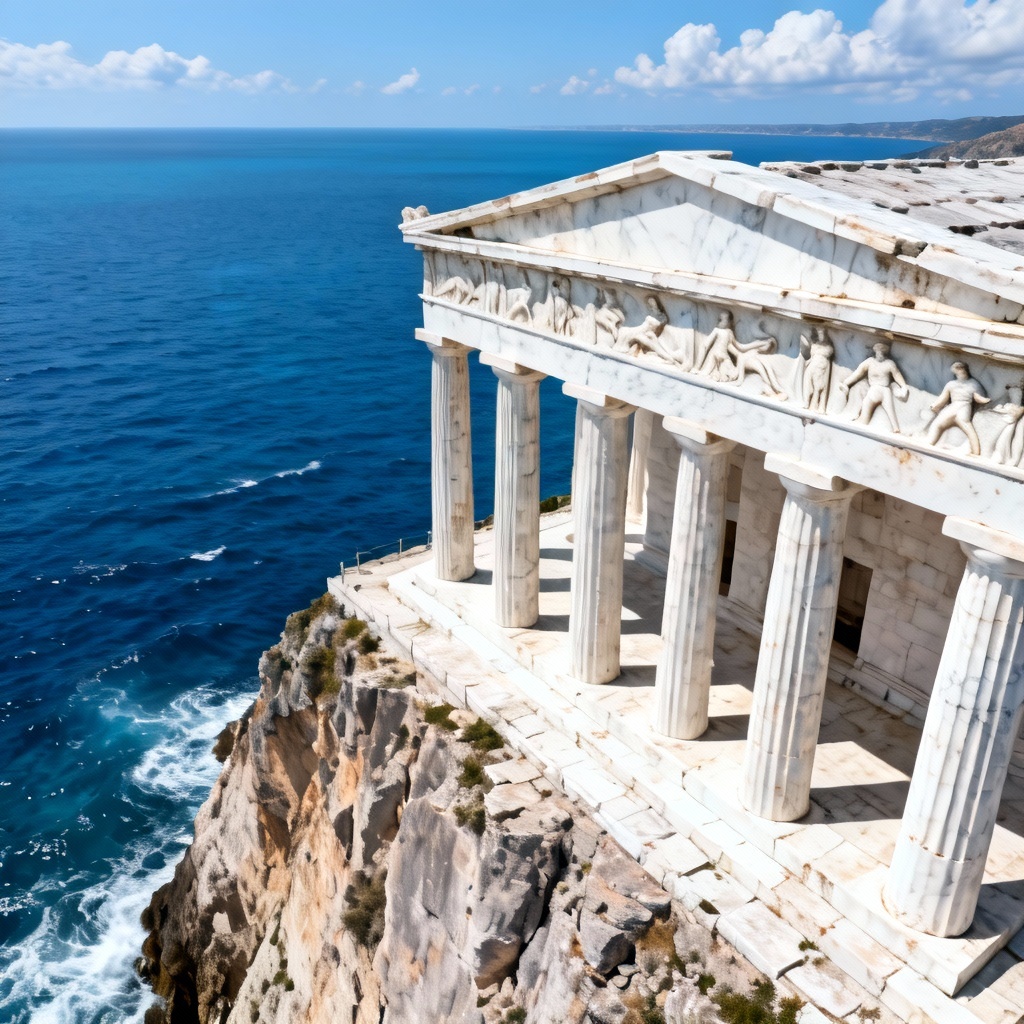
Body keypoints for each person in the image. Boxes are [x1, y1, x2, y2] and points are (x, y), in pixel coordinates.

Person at [839, 341, 908, 433]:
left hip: (884, 390)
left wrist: (903, 386)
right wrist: (846, 383)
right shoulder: (870, 362)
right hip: (874, 390)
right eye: (878, 352)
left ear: (885, 353)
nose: (880, 354)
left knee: (891, 412)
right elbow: (857, 373)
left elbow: (897, 375)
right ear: (875, 352)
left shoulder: (889, 363)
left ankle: (896, 428)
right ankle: (863, 421)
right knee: (866, 407)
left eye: (882, 352)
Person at [925, 361, 990, 455]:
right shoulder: (952, 384)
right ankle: (929, 443)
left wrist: (985, 400)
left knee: (968, 429)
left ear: (965, 370)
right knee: (938, 424)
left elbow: (978, 397)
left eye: (962, 369)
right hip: (955, 407)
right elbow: (943, 398)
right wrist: (935, 405)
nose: (961, 372)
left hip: (963, 407)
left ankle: (976, 452)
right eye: (958, 370)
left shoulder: (973, 384)